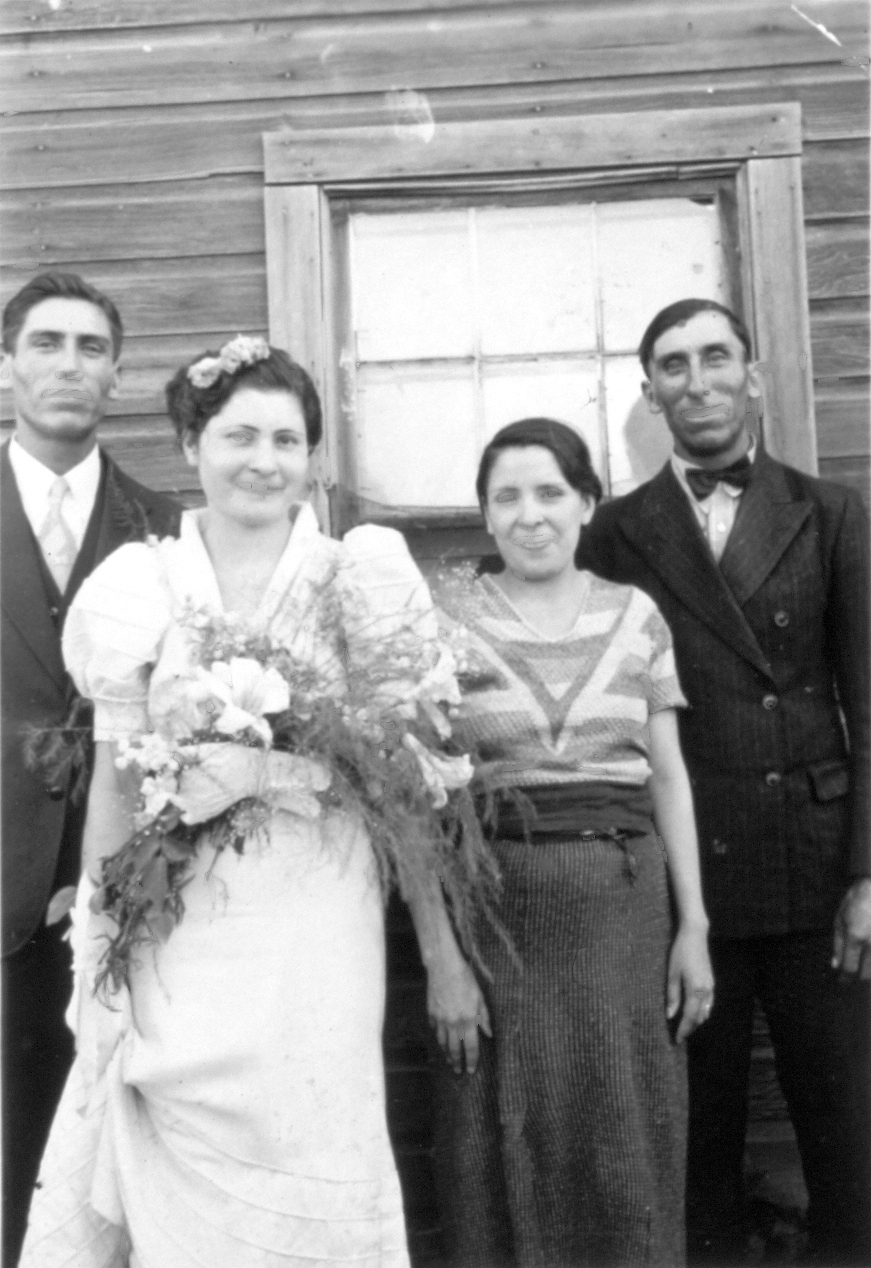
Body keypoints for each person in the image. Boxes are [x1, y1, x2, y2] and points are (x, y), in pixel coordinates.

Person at [17, 339, 448, 1266]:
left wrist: (273, 774)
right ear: (191, 445)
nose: (264, 461)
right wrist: (98, 928)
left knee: (308, 1122)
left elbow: (397, 773)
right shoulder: (142, 582)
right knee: (170, 1115)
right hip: (181, 912)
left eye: (287, 441)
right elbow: (116, 778)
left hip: (315, 909)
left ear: (312, 458)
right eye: (238, 436)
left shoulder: (356, 575)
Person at [576, 298, 871, 1265]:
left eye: (715, 358)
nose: (696, 381)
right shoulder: (613, 531)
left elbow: (868, 701)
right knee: (695, 1120)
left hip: (815, 865)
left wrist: (867, 874)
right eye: (673, 365)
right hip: (683, 869)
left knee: (844, 1118)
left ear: (752, 374)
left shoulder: (829, 511)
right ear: (650, 392)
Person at [418, 417, 713, 1267]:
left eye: (550, 492)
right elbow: (419, 804)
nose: (529, 515)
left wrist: (693, 927)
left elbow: (667, 777)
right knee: (495, 1134)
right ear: (484, 514)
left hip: (623, 915)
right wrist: (442, 958)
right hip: (494, 918)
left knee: (624, 1126)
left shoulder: (636, 615)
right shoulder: (445, 622)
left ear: (587, 502)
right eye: (505, 497)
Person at [1, 271, 180, 1265]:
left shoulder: (164, 527)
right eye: (46, 342)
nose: (70, 365)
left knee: (119, 1175)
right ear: (8, 364)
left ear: (117, 372)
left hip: (127, 900)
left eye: (91, 347)